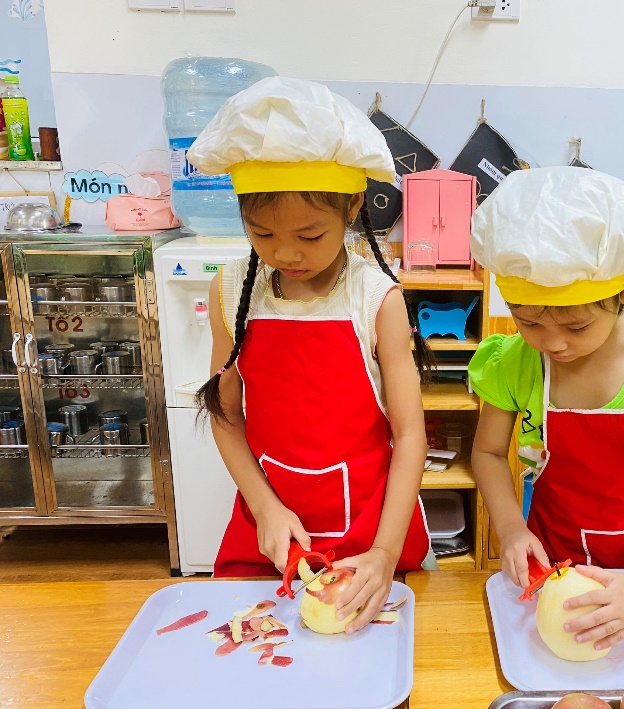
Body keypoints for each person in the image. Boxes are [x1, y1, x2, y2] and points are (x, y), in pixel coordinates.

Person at [189, 77, 433, 632]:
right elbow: (226, 415)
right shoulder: (232, 291)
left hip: (371, 531)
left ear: (351, 207)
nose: (286, 253)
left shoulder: (375, 298)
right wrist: (265, 507)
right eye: (262, 234)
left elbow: (411, 434)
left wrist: (386, 551)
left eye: (309, 234)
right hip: (269, 528)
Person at [468, 167, 624, 652]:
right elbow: (486, 453)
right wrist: (510, 529)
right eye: (529, 322)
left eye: (575, 324)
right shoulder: (513, 363)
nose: (553, 343)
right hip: (556, 562)